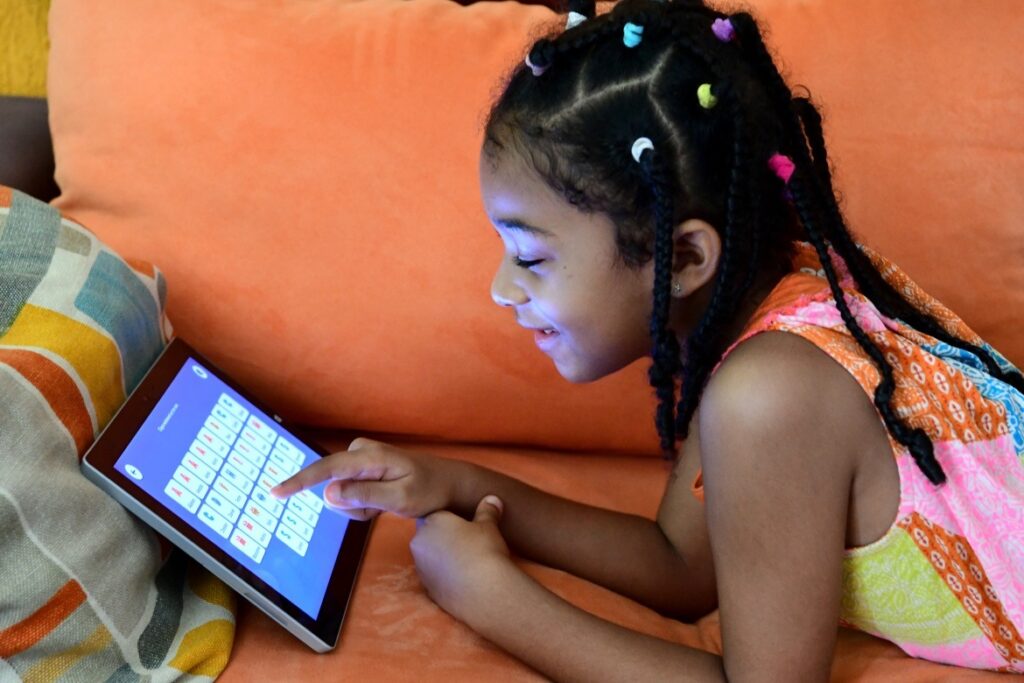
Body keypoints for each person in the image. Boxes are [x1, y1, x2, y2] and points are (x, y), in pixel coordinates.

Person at [273, 0, 1024, 678]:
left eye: (531, 256)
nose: (502, 288)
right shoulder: (759, 323)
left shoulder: (771, 393)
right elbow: (682, 566)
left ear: (689, 258)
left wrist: (495, 600)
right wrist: (456, 482)